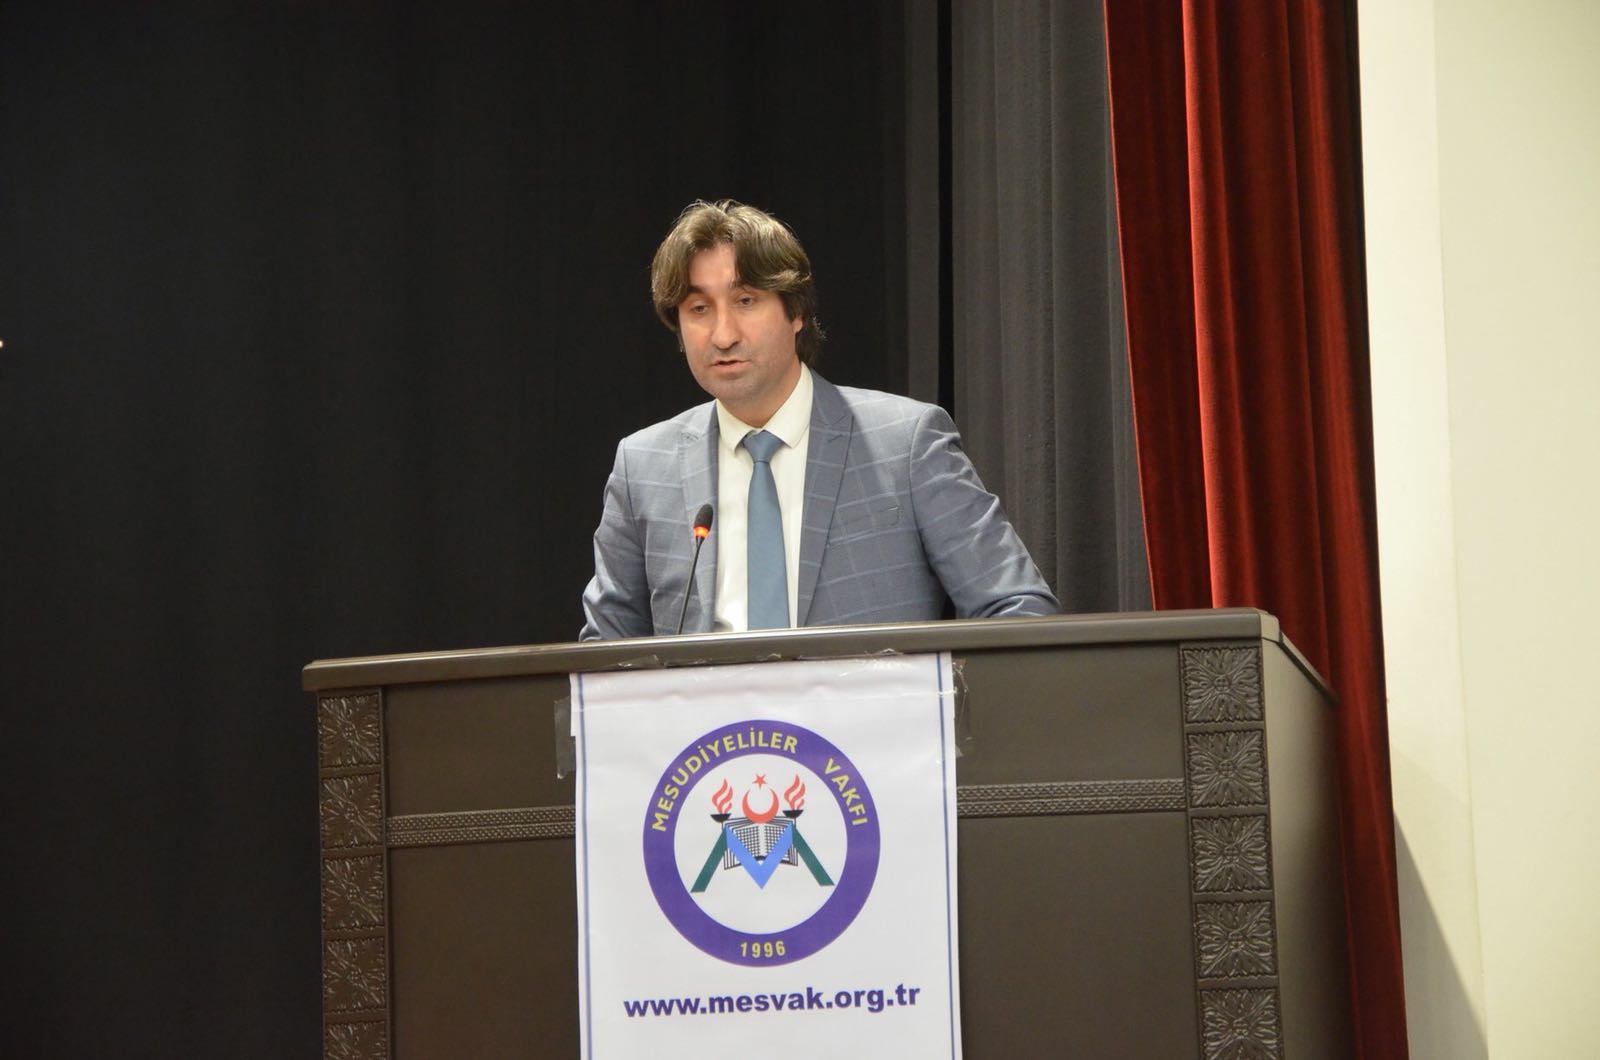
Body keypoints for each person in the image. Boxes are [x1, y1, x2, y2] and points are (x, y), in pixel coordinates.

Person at [579, 199, 1058, 640]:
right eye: (699, 309)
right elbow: (602, 656)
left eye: (746, 301)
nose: (722, 335)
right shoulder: (643, 466)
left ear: (796, 313)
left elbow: (1019, 612)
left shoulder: (906, 444)